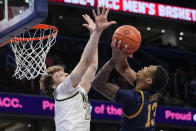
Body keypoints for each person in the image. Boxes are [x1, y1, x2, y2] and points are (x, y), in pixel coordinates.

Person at [39, 7, 116, 131]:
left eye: (64, 72)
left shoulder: (80, 91)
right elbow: (85, 62)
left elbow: (92, 66)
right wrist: (97, 33)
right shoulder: (61, 90)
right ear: (54, 86)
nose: (66, 74)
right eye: (60, 76)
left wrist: (94, 34)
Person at [92, 39, 169, 131]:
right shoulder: (150, 90)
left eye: (147, 69)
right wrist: (122, 53)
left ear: (148, 80)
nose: (144, 67)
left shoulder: (133, 99)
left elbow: (97, 85)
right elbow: (124, 69)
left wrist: (113, 60)